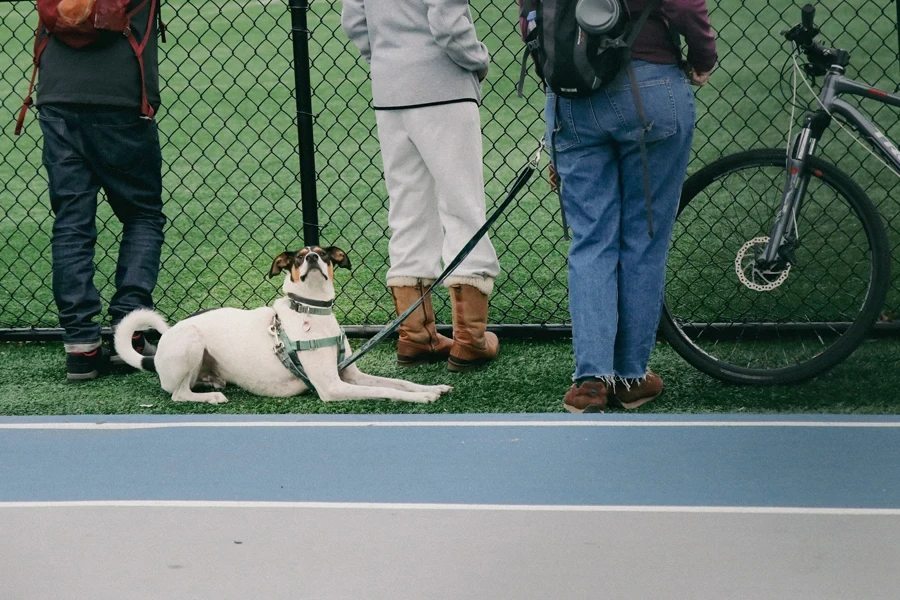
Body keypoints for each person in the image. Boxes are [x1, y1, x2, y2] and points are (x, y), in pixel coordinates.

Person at [550, 0, 717, 412]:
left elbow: (533, 19)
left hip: (571, 90)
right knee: (645, 236)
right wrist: (703, 57)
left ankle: (590, 381)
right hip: (649, 83)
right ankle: (629, 377)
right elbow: (684, 5)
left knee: (591, 239)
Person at [341, 0, 502, 373]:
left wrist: (388, 57)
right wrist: (477, 59)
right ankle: (470, 339)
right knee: (463, 207)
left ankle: (415, 334)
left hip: (390, 87)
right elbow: (447, 20)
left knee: (407, 208)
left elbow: (354, 22)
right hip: (443, 83)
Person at [33, 0, 165, 381]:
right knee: (142, 214)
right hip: (121, 98)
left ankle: (81, 343)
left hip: (57, 96)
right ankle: (132, 332)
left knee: (72, 220)